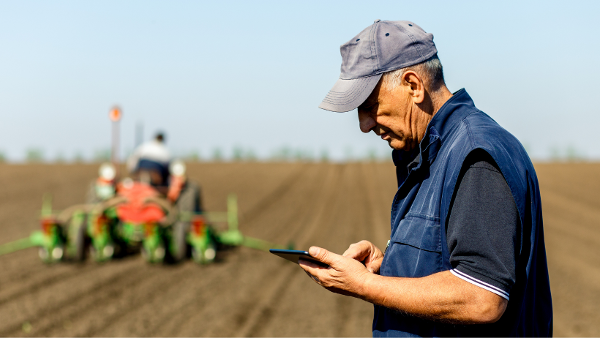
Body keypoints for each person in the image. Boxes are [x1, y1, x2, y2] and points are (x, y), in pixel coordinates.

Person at [299, 20, 552, 337]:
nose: (364, 125)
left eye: (368, 106)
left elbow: (481, 297)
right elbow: (447, 261)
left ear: (413, 85)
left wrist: (365, 284)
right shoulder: (434, 152)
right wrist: (390, 263)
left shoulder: (474, 156)